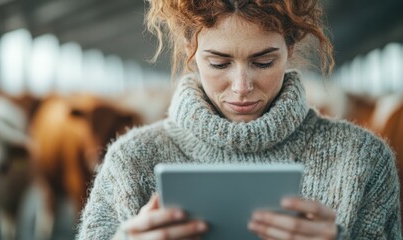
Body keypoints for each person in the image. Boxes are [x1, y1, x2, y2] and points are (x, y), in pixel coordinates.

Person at [76, 0, 401, 239]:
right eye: (219, 63)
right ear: (191, 49)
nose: (242, 87)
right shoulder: (129, 162)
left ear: (291, 47)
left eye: (263, 62)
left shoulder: (362, 160)